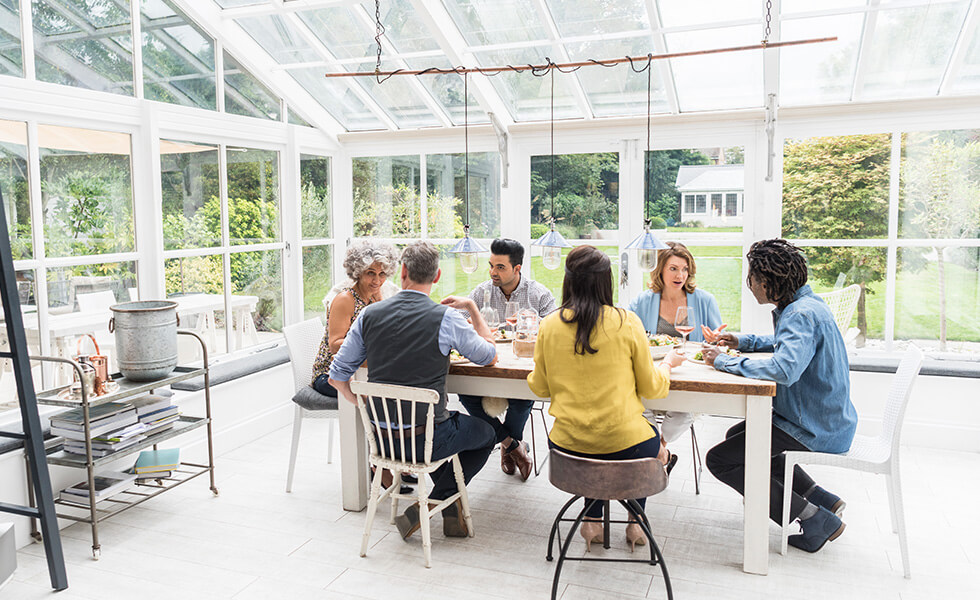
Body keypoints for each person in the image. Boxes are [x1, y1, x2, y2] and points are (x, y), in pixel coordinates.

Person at [329, 241, 498, 540]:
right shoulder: (446, 318)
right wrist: (471, 308)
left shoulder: (369, 315)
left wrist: (360, 403)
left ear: (403, 271)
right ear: (437, 276)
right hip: (426, 442)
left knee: (442, 428)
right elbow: (488, 356)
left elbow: (337, 374)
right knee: (488, 433)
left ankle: (441, 502)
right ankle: (436, 501)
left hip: (381, 441)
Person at [701, 239, 857, 553]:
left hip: (813, 426)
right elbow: (789, 345)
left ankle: (815, 519)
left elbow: (785, 369)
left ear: (769, 281)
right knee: (740, 437)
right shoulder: (804, 306)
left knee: (720, 460)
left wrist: (723, 360)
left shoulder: (799, 314)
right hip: (829, 419)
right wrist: (742, 341)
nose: (751, 286)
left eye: (752, 279)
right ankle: (821, 499)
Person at [527, 245, 685, 551]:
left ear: (568, 281)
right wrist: (666, 364)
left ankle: (592, 519)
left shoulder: (549, 325)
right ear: (606, 281)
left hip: (567, 450)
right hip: (627, 448)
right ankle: (636, 523)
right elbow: (653, 389)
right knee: (649, 444)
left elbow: (540, 388)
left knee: (592, 446)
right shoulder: (626, 322)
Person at [309, 240, 409, 493]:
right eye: (370, 274)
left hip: (363, 373)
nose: (377, 280)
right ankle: (381, 467)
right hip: (330, 374)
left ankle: (392, 460)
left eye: (382, 274)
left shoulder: (374, 298)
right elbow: (335, 345)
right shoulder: (345, 299)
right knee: (381, 403)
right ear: (357, 272)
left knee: (398, 396)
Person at [458, 238, 557, 481]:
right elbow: (457, 321)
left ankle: (506, 445)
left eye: (500, 267)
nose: (493, 272)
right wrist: (469, 323)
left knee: (522, 397)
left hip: (521, 365)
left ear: (517, 269)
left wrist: (535, 324)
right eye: (491, 265)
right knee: (464, 393)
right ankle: (512, 445)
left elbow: (557, 328)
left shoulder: (539, 294)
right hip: (487, 364)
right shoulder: (481, 292)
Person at [629, 242, 724, 449]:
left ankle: (657, 450)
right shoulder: (641, 302)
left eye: (685, 269)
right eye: (673, 268)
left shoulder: (704, 301)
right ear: (660, 270)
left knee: (682, 412)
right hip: (652, 377)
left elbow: (719, 343)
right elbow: (627, 338)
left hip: (689, 379)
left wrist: (716, 339)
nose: (680, 275)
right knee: (636, 406)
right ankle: (658, 453)